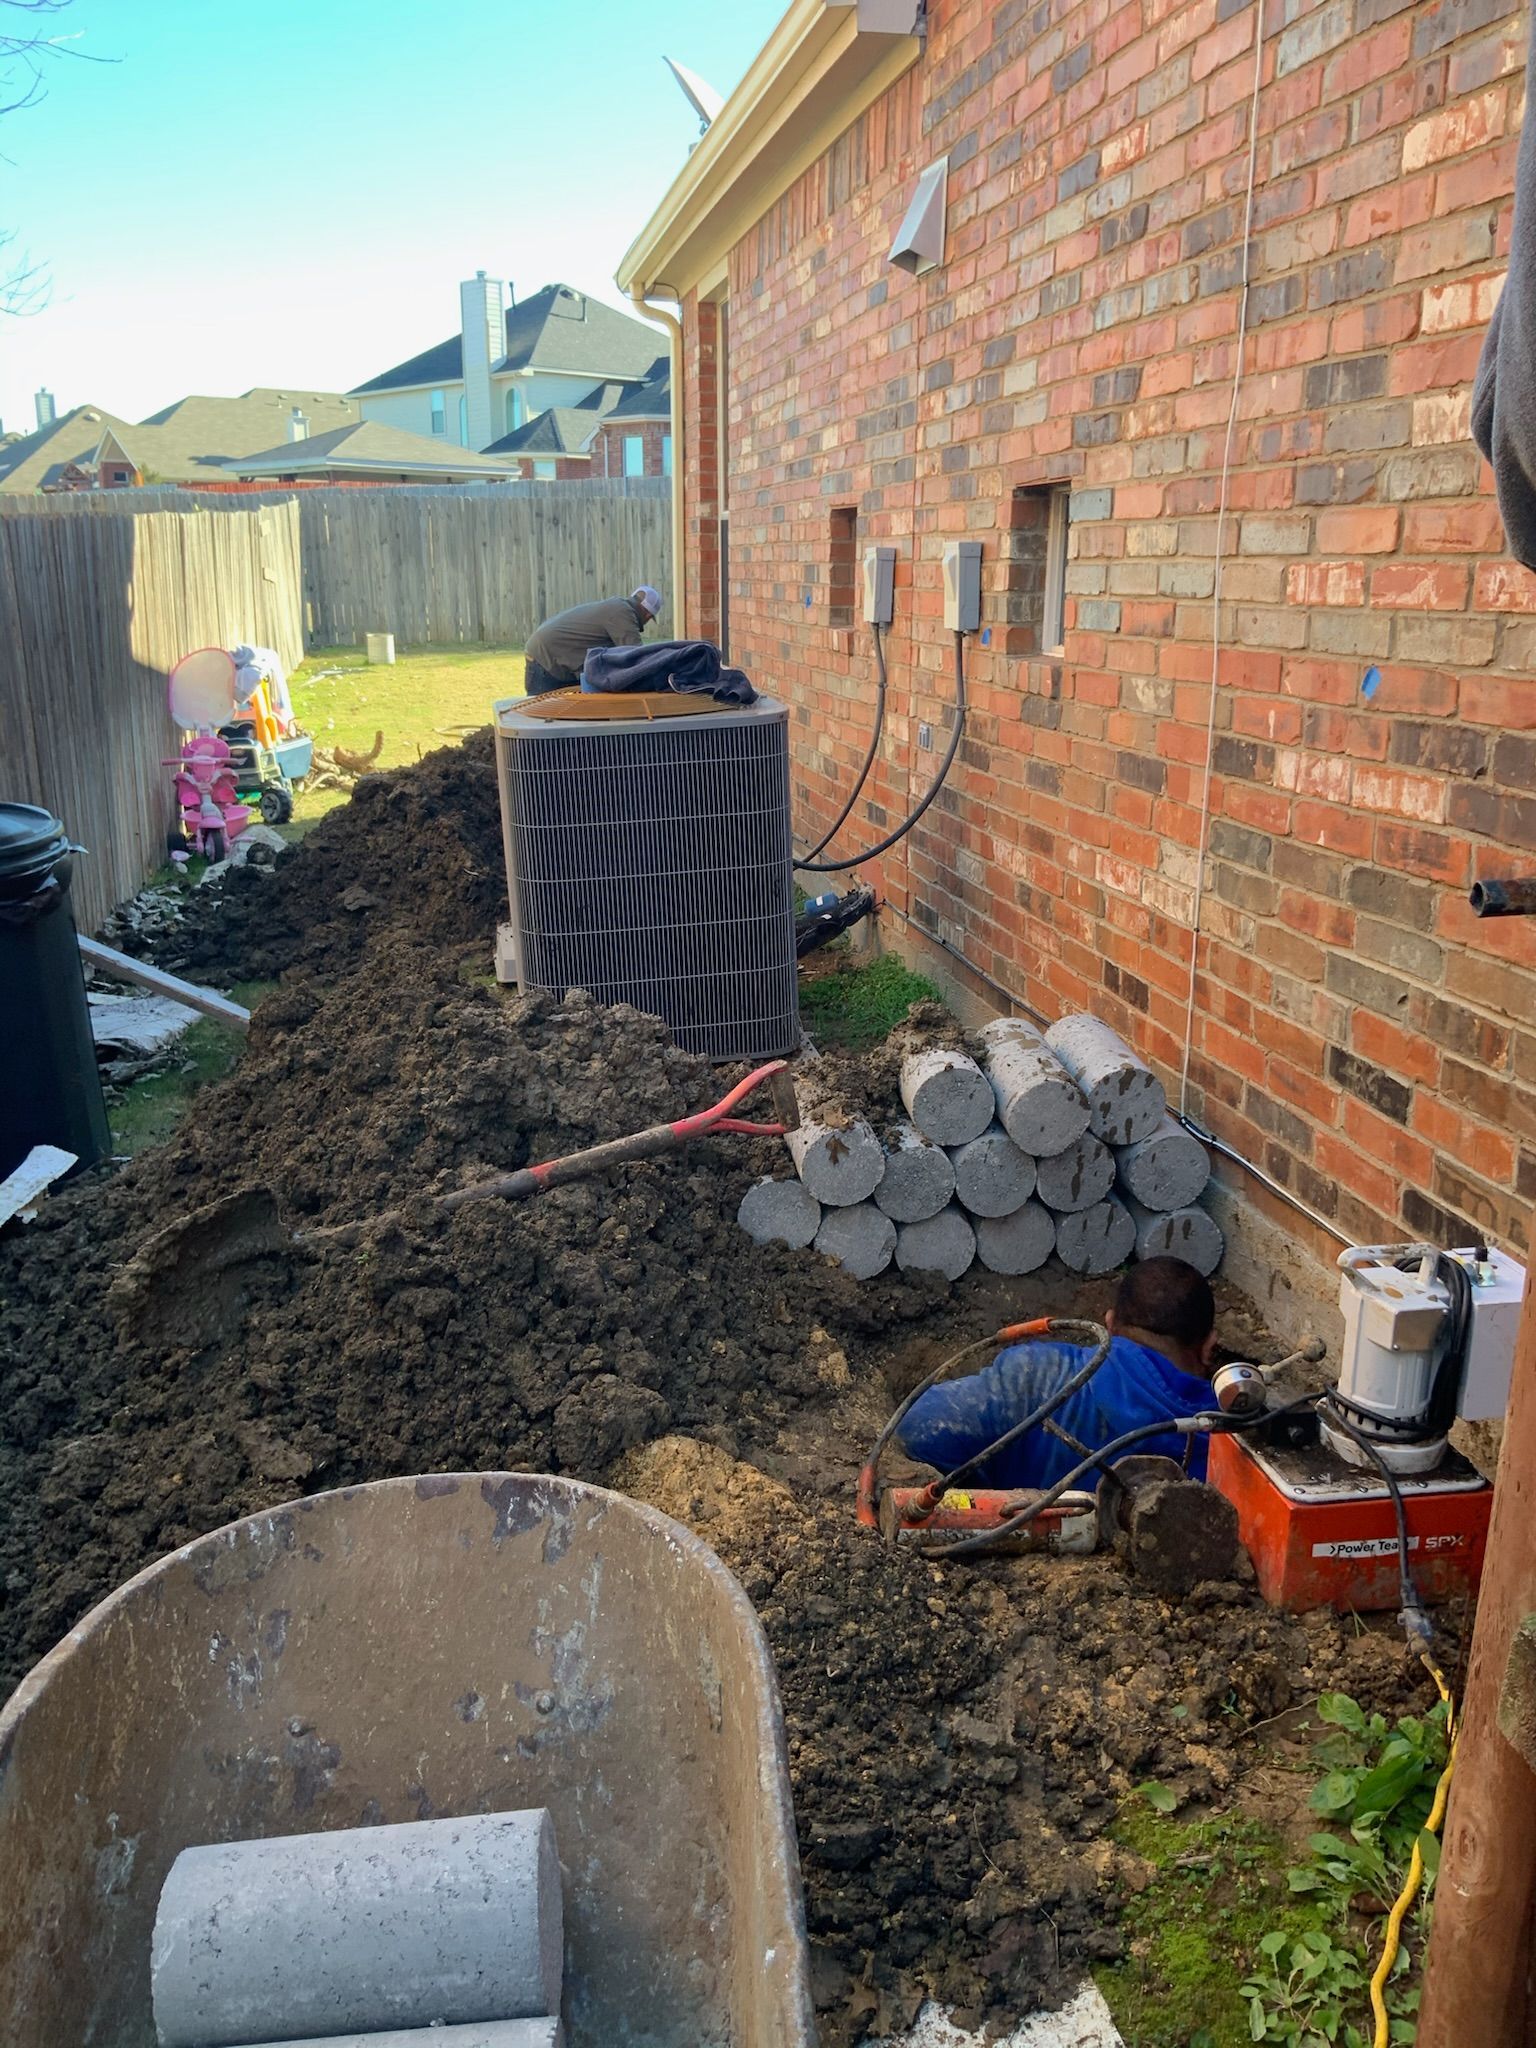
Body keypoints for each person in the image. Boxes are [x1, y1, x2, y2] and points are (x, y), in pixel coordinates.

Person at [896, 1256, 1219, 1491]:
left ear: (1108, 1324)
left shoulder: (1037, 1377)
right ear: (1209, 1348)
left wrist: (982, 1486)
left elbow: (921, 1425)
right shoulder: (1232, 1440)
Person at [523, 586, 663, 695]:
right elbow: (636, 658)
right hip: (545, 659)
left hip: (549, 655)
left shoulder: (616, 608)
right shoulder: (623, 613)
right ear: (648, 614)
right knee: (542, 720)